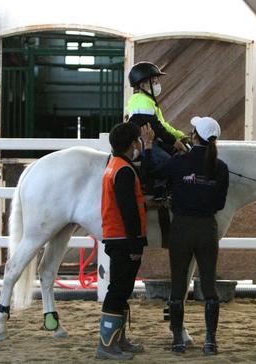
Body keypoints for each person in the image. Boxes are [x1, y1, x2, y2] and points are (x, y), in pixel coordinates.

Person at [141, 116, 229, 355]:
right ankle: (210, 341)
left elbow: (152, 173)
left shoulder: (179, 162)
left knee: (179, 284)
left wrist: (148, 148)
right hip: (207, 229)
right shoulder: (220, 168)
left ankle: (178, 340)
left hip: (181, 228)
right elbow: (220, 203)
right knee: (209, 286)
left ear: (194, 136)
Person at [97, 122, 148, 360]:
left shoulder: (114, 164)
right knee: (118, 289)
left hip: (116, 236)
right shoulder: (124, 170)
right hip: (123, 239)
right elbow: (128, 210)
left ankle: (118, 340)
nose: (140, 143)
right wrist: (136, 244)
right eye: (138, 140)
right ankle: (107, 345)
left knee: (121, 288)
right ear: (131, 144)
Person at [126, 61, 188, 165]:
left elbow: (162, 124)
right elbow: (156, 127)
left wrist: (180, 135)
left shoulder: (148, 100)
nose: (157, 84)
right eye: (153, 81)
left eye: (157, 81)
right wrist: (174, 141)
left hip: (151, 140)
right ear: (142, 85)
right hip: (142, 143)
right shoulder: (141, 101)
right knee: (169, 165)